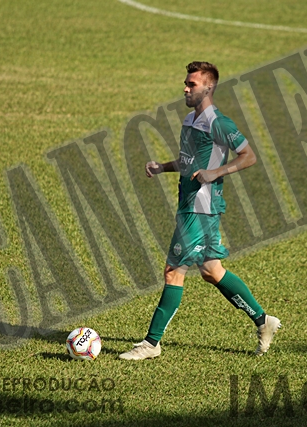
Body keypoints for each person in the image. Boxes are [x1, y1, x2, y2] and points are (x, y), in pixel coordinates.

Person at [119, 61, 281, 361]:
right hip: (188, 204)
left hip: (201, 208)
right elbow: (188, 161)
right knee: (211, 271)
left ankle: (151, 344)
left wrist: (216, 172)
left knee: (173, 272)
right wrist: (163, 167)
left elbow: (248, 156)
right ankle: (263, 320)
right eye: (186, 82)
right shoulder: (190, 120)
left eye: (191, 84)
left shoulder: (219, 123)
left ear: (208, 88)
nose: (185, 88)